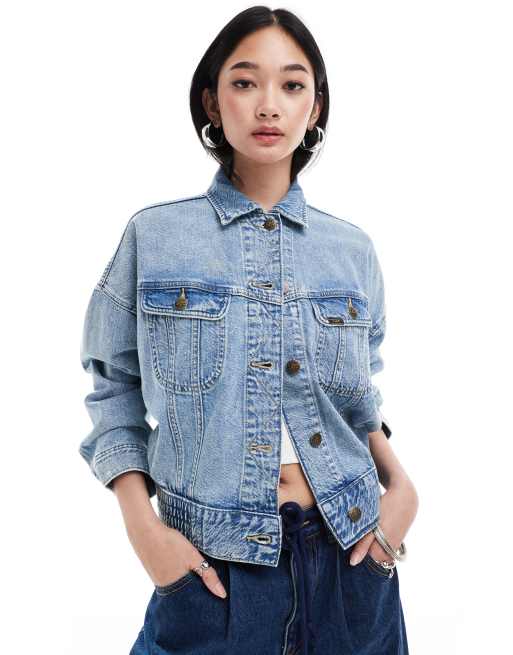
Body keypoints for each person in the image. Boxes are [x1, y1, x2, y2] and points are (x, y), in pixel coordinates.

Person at [79, 6, 419, 654]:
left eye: (292, 84)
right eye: (244, 82)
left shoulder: (351, 249)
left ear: (315, 107)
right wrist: (143, 530)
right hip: (211, 571)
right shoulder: (156, 236)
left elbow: (359, 396)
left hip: (352, 554)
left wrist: (401, 489)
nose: (268, 104)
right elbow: (113, 387)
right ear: (212, 100)